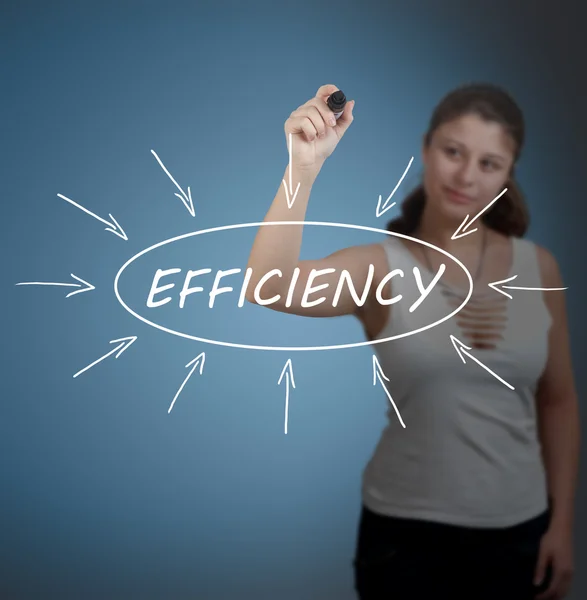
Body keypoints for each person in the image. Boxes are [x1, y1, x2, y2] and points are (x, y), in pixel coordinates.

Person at [244, 83, 579, 599]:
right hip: (405, 542)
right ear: (426, 148)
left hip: (520, 535)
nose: (467, 176)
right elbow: (268, 285)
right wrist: (302, 170)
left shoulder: (540, 268)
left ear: (509, 175)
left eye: (490, 164)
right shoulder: (382, 268)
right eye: (453, 152)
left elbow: (558, 401)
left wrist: (561, 524)